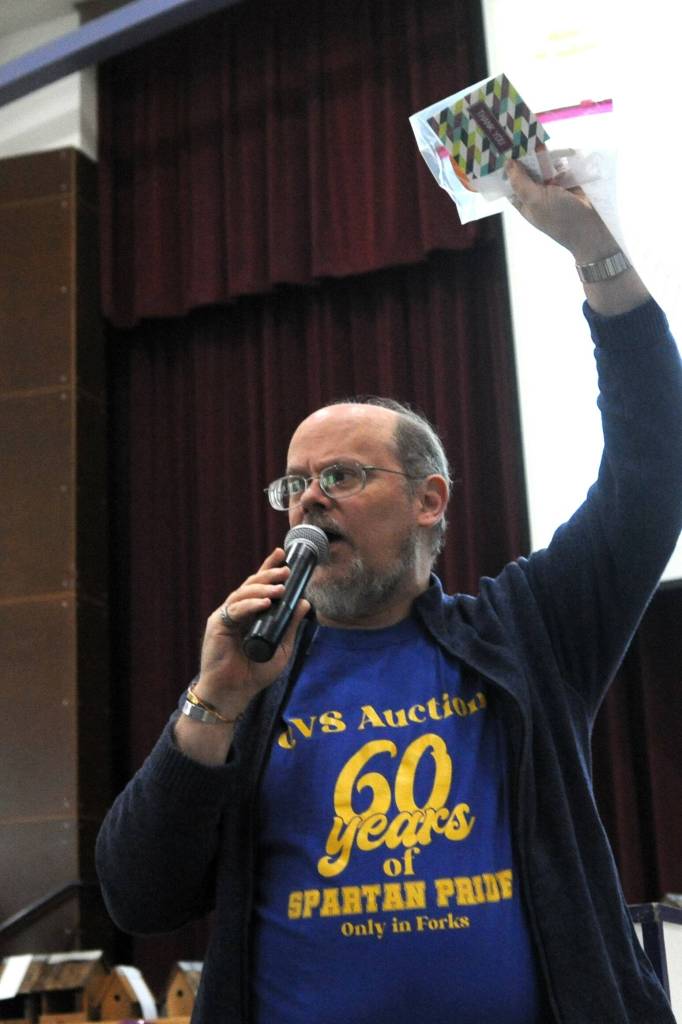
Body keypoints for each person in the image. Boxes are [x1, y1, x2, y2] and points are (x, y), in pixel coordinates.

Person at [96, 162, 682, 1023]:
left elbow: (653, 468)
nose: (308, 499)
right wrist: (211, 701)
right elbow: (139, 898)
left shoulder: (526, 632)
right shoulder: (253, 680)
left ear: (428, 500)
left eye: (341, 474)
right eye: (292, 484)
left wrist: (594, 252)